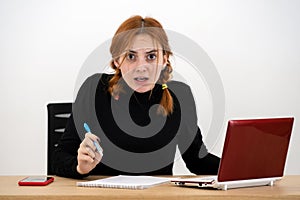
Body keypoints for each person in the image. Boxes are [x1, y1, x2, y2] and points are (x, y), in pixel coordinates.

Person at [52, 15, 220, 178]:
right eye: (131, 56)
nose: (142, 67)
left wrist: (242, 168)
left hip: (158, 197)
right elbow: (60, 157)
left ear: (164, 59)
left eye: (151, 56)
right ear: (117, 61)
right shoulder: (94, 88)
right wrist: (80, 167)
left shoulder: (179, 95)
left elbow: (197, 160)